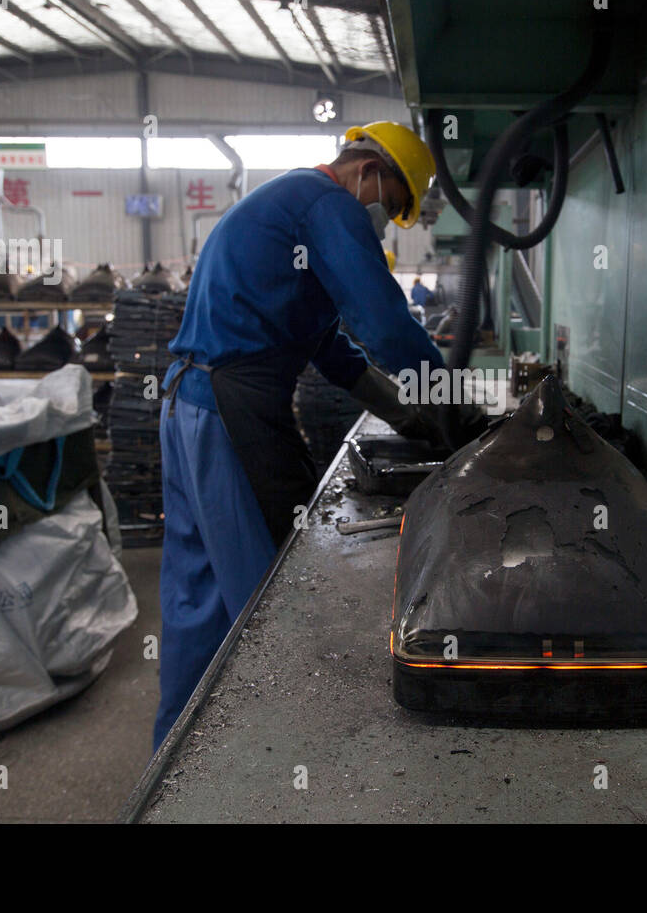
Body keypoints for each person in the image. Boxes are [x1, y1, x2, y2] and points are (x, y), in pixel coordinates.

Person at [153, 121, 470, 749]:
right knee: (269, 595)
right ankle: (276, 756)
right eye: (394, 204)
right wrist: (451, 404)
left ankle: (173, 759)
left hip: (185, 406)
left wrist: (408, 415)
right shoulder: (326, 204)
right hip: (229, 413)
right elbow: (384, 324)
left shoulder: (287, 208)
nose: (386, 219)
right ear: (367, 170)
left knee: (200, 599)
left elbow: (335, 352)